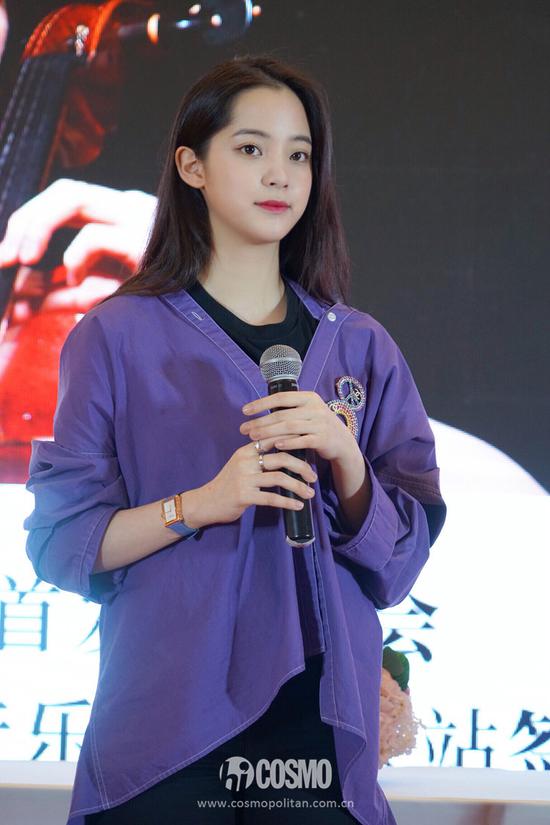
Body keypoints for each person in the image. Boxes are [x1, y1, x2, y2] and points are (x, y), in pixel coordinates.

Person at [23, 54, 447, 824]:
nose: (280, 174)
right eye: (251, 148)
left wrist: (348, 463)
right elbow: (61, 542)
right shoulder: (115, 337)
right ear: (192, 165)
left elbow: (400, 561)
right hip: (166, 717)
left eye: (299, 154)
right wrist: (201, 503)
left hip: (318, 718)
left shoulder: (360, 346)